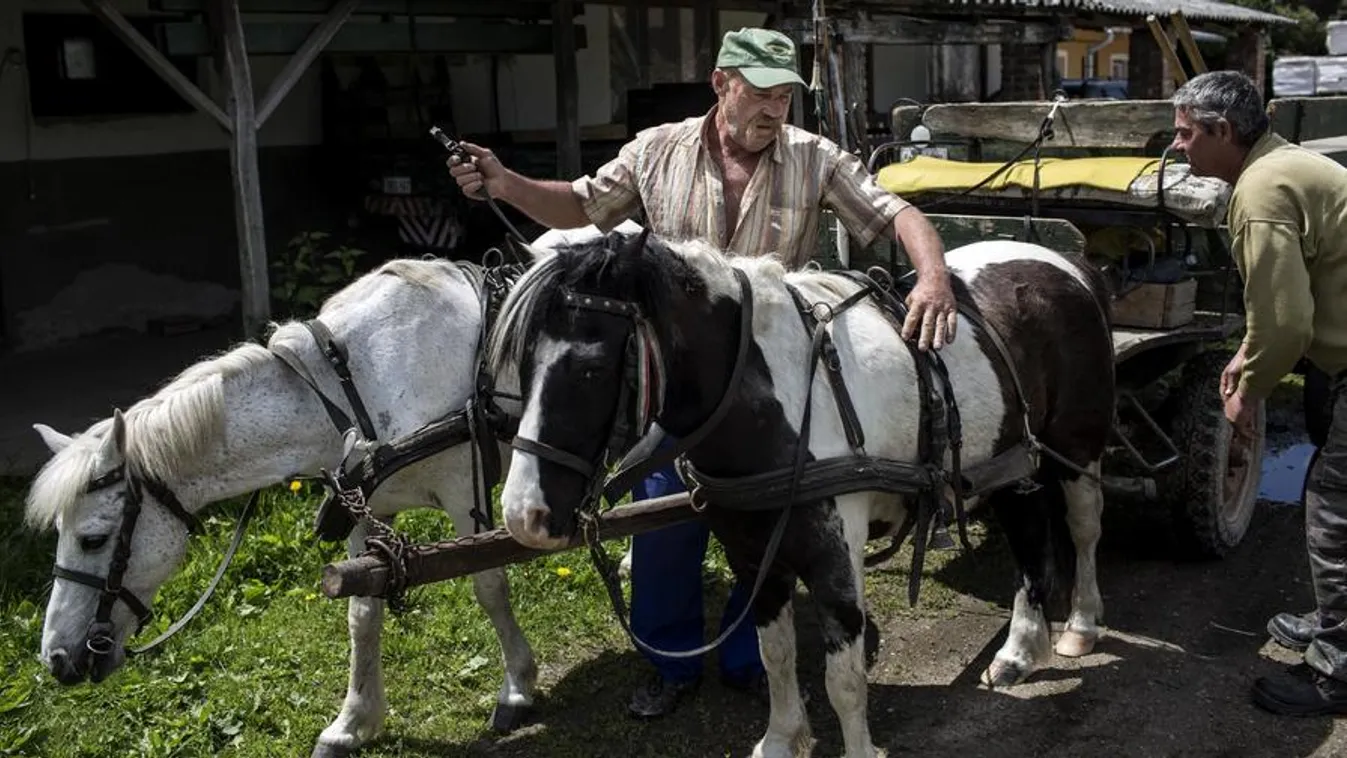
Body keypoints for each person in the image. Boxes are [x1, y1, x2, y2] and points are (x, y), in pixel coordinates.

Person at [449, 27, 957, 718]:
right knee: (661, 518)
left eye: (784, 97)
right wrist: (505, 183)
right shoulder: (658, 150)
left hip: (773, 382)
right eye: (761, 93)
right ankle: (670, 662)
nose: (774, 110)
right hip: (679, 379)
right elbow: (580, 205)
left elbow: (896, 213)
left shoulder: (813, 158)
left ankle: (751, 660)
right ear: (721, 84)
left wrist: (933, 277)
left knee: (772, 517)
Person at [1170, 69, 1347, 716]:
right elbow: (1289, 293)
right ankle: (1335, 619)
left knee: (1335, 512)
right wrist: (1250, 349)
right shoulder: (1285, 165)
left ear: (1221, 131)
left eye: (1185, 134)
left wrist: (1247, 392)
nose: (1177, 147)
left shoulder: (1261, 191)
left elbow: (1286, 323)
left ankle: (1337, 674)